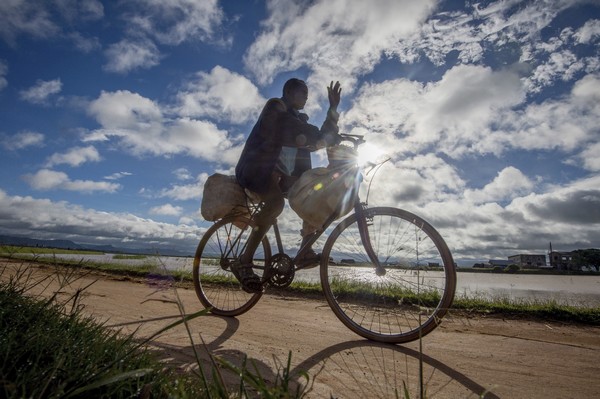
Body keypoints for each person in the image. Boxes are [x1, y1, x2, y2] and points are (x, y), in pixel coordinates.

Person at [234, 78, 342, 292]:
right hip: (257, 170)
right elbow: (291, 128)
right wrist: (320, 136)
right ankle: (243, 261)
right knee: (275, 204)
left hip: (283, 177)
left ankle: (305, 251)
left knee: (312, 195)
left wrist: (333, 109)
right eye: (303, 94)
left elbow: (315, 140)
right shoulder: (276, 107)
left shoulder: (297, 119)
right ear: (290, 92)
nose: (306, 98)